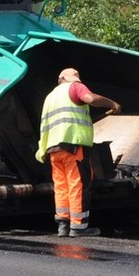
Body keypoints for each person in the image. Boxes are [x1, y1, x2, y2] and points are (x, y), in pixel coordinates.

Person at [35, 68, 121, 237]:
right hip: (72, 146)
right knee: (77, 185)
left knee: (61, 187)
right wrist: (112, 104)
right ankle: (79, 227)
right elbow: (90, 99)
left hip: (53, 148)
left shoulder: (50, 97)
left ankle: (63, 225)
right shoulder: (74, 87)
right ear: (68, 79)